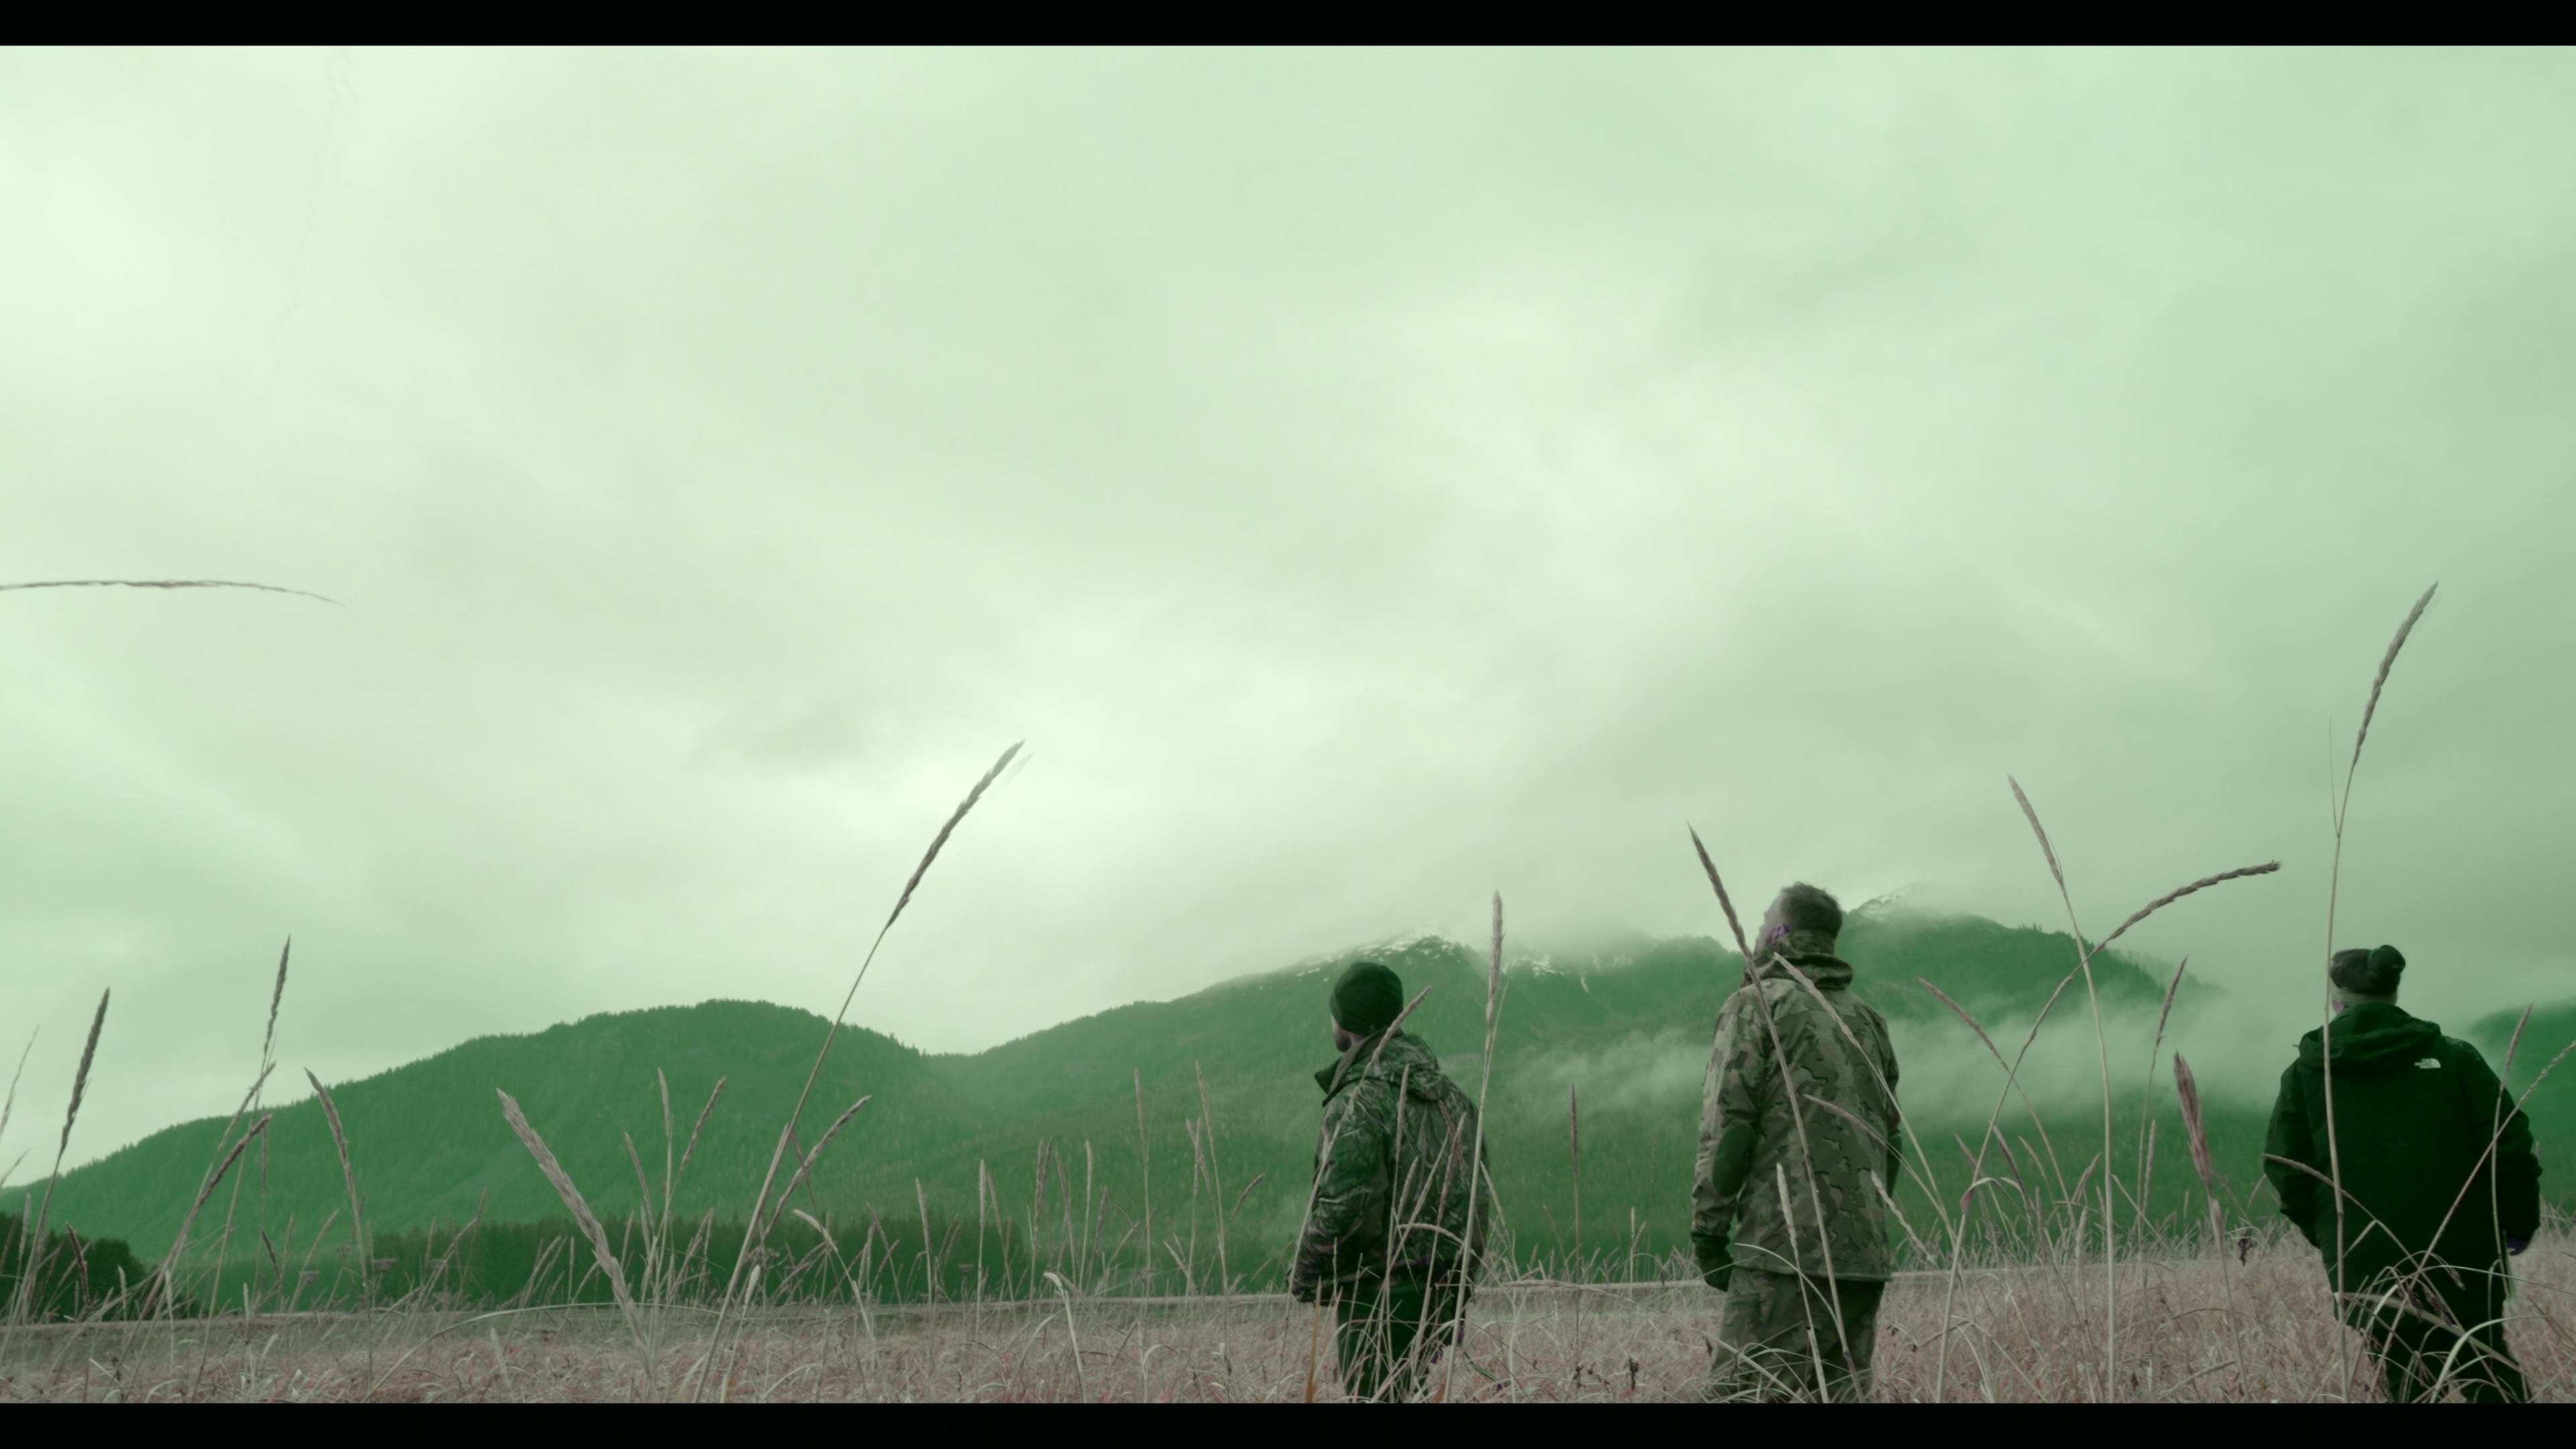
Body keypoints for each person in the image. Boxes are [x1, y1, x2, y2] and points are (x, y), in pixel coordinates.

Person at [2263, 944, 2540, 1403]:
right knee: (2485, 1364)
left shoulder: (2307, 1071)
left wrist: (2330, 1233)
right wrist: (2518, 1222)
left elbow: (2286, 1167)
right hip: (2466, 1249)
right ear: (2394, 991)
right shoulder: (2455, 1057)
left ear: (2336, 998)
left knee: (2405, 1376)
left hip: (2362, 1253)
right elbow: (2508, 1147)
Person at [1691, 883, 1901, 1401]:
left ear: (1780, 932)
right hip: (1863, 1257)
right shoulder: (1868, 1020)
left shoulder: (1756, 1005)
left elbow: (1730, 1128)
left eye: (1764, 920)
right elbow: (1891, 1138)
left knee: (1743, 1396)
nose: (1758, 929)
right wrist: (1868, 1222)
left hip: (1781, 1252)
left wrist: (1708, 1234)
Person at [1288, 959, 1494, 1401]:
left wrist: (1304, 1275)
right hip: (1440, 1295)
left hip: (1376, 1300)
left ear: (1344, 1020)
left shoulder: (1359, 1101)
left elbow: (1348, 1207)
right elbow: (1477, 1203)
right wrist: (1459, 1287)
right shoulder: (1456, 1100)